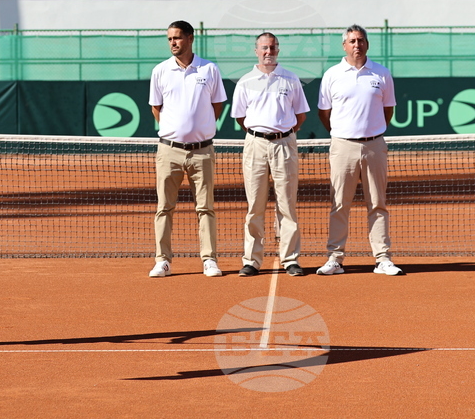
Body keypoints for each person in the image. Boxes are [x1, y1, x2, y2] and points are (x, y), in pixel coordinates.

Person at [316, 25, 402, 276]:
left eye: (361, 40)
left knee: (378, 203)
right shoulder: (332, 74)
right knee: (339, 203)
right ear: (344, 45)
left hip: (375, 145)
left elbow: (388, 109)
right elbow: (324, 112)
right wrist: (342, 133)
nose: (357, 45)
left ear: (367, 44)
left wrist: (373, 131)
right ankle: (335, 258)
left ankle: (383, 258)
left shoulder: (382, 73)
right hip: (342, 145)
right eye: (352, 41)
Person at [148, 21, 227, 277]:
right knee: (164, 207)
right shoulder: (160, 71)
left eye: (178, 38)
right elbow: (156, 108)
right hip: (168, 151)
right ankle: (163, 260)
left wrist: (199, 130)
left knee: (205, 207)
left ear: (190, 39)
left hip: (202, 151)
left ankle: (209, 259)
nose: (173, 43)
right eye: (170, 38)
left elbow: (217, 105)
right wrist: (176, 133)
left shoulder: (209, 69)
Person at [231, 32, 310, 277]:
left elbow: (300, 116)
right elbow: (241, 118)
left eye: (273, 47)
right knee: (255, 205)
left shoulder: (291, 78)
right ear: (256, 51)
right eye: (264, 48)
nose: (269, 52)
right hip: (255, 145)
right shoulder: (245, 81)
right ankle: (252, 261)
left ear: (278, 50)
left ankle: (290, 259)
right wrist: (261, 135)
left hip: (284, 145)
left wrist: (281, 135)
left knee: (287, 204)